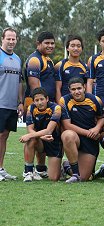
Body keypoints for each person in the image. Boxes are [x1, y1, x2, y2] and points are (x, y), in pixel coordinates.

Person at [60, 77, 104, 183]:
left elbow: (102, 117)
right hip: (75, 137)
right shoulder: (64, 100)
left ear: (84, 87)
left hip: (90, 140)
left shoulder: (95, 100)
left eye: (79, 88)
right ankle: (75, 174)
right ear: (69, 90)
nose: (77, 92)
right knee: (67, 135)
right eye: (73, 89)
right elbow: (67, 125)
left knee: (84, 178)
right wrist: (89, 133)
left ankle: (67, 165)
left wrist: (97, 128)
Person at [24, 31, 56, 177]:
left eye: (52, 43)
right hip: (37, 105)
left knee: (43, 136)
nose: (50, 46)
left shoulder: (48, 60)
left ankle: (41, 169)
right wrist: (40, 104)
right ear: (38, 44)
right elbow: (35, 88)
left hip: (47, 105)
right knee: (35, 136)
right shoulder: (35, 60)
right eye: (46, 43)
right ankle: (28, 171)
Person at [19, 87, 62, 182]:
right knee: (31, 139)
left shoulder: (56, 108)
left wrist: (30, 135)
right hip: (40, 140)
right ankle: (28, 171)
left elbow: (49, 131)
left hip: (54, 141)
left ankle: (65, 166)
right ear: (33, 101)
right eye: (36, 100)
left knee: (54, 178)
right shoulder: (31, 108)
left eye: (42, 99)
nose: (39, 102)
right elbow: (30, 128)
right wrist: (40, 137)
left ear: (47, 99)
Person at [0, 27, 23, 181]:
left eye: (13, 39)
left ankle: (1, 169)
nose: (11, 41)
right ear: (2, 39)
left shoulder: (17, 59)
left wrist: (20, 102)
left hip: (11, 105)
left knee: (4, 136)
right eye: (8, 38)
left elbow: (20, 82)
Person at [55, 35, 87, 102]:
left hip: (80, 105)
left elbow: (86, 88)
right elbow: (57, 89)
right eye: (72, 46)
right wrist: (60, 106)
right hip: (65, 104)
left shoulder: (85, 67)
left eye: (78, 46)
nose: (76, 48)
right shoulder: (60, 66)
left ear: (82, 48)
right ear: (67, 48)